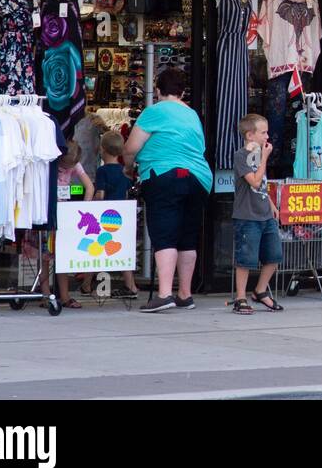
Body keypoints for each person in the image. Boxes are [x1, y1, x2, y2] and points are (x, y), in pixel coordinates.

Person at [125, 67, 213, 314]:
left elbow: (131, 147)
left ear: (158, 90)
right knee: (187, 236)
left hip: (164, 174)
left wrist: (128, 167)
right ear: (183, 91)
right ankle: (185, 294)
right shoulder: (192, 114)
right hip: (199, 179)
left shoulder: (154, 112)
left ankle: (164, 294)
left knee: (164, 233)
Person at [231, 114, 284, 315]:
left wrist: (271, 203)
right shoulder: (241, 156)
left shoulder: (259, 153)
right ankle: (240, 297)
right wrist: (264, 158)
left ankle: (260, 290)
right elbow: (253, 180)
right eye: (263, 132)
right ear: (250, 135)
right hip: (247, 214)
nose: (267, 136)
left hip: (264, 213)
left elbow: (261, 185)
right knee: (245, 258)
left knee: (274, 255)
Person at [46, 141, 94, 309]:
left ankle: (63, 295)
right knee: (46, 256)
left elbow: (89, 187)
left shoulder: (74, 164)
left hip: (63, 214)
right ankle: (46, 294)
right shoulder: (51, 163)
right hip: (48, 213)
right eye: (64, 167)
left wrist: (83, 208)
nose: (67, 170)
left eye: (70, 167)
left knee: (61, 256)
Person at [93, 130, 139, 299]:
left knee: (97, 249)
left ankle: (91, 284)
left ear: (102, 149)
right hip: (122, 214)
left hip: (105, 215)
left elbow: (101, 194)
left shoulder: (102, 171)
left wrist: (92, 205)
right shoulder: (124, 171)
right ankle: (131, 285)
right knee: (122, 251)